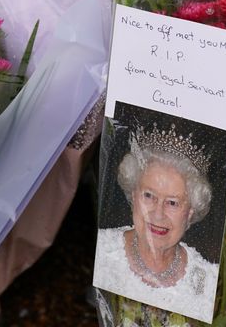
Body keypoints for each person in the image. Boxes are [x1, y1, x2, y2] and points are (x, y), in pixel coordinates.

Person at [93, 123, 218, 323]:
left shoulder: (206, 279)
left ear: (190, 212)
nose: (158, 214)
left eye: (172, 202)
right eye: (149, 195)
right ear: (133, 196)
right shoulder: (102, 250)